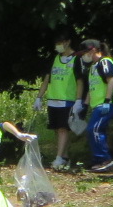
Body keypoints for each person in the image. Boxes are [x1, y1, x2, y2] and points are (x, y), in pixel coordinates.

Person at [33, 32, 79, 169]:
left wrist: (79, 100)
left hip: (68, 100)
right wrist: (39, 97)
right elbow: (47, 79)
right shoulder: (55, 59)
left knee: (63, 129)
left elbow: (81, 81)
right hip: (53, 99)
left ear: (68, 42)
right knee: (56, 129)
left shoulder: (77, 59)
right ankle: (64, 157)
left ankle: (58, 158)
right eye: (57, 44)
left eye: (60, 43)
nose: (58, 46)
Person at [76, 39, 113, 173]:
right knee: (96, 131)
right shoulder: (93, 67)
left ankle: (105, 160)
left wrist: (107, 100)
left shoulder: (105, 62)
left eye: (85, 52)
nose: (84, 56)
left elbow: (110, 80)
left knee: (93, 130)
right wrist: (85, 105)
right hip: (97, 105)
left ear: (93, 50)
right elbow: (92, 88)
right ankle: (98, 160)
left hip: (107, 103)